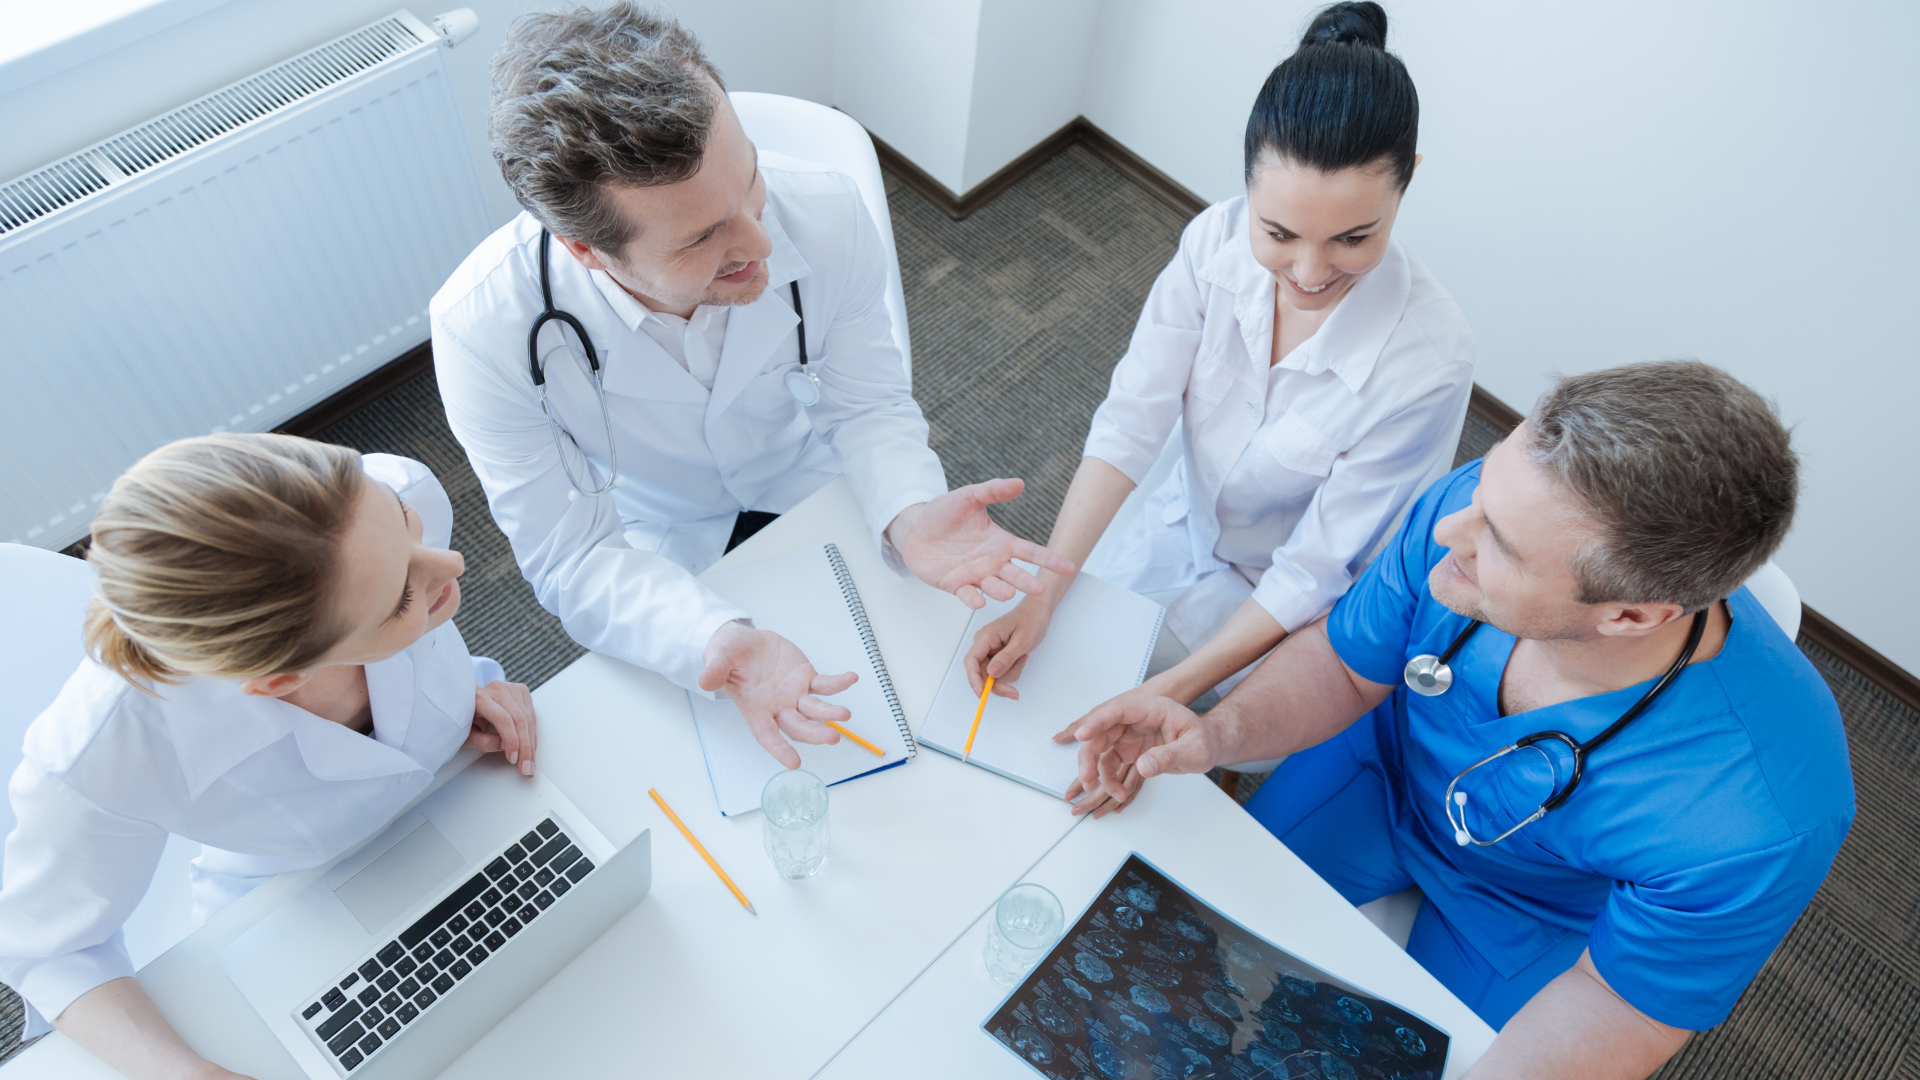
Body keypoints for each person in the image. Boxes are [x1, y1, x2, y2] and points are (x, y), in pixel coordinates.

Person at [1060, 362, 1855, 1075]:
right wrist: (1219, 733)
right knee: (1169, 944)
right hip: (1383, 771)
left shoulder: (1762, 813)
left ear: (1629, 616)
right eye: (1482, 492)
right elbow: (1345, 664)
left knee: (1345, 1056)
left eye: (1499, 545)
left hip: (1535, 909)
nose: (1448, 528)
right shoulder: (1482, 509)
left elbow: (1624, 1007)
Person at [433, 4, 1071, 770]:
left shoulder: (827, 211)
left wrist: (906, 512)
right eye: (704, 236)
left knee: (932, 712)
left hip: (812, 484)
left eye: (752, 181)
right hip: (656, 545)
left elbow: (866, 404)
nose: (762, 243)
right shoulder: (485, 332)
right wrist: (715, 639)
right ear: (588, 252)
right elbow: (573, 558)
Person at [967, 2, 1472, 734]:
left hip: (1288, 610)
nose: (1308, 271)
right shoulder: (1214, 243)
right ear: (1247, 182)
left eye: (1353, 238)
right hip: (1180, 527)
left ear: (1407, 182)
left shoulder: (1429, 362)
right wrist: (1042, 593)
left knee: (1195, 749)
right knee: (1051, 678)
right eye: (1278, 231)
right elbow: (1132, 418)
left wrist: (1172, 691)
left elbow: (1313, 570)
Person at [0, 435, 537, 1080]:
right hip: (292, 909)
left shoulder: (390, 495)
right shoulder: (108, 751)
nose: (449, 565)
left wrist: (462, 698)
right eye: (400, 598)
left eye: (400, 520)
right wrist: (182, 1073)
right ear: (280, 680)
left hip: (473, 803)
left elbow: (409, 591)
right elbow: (50, 952)